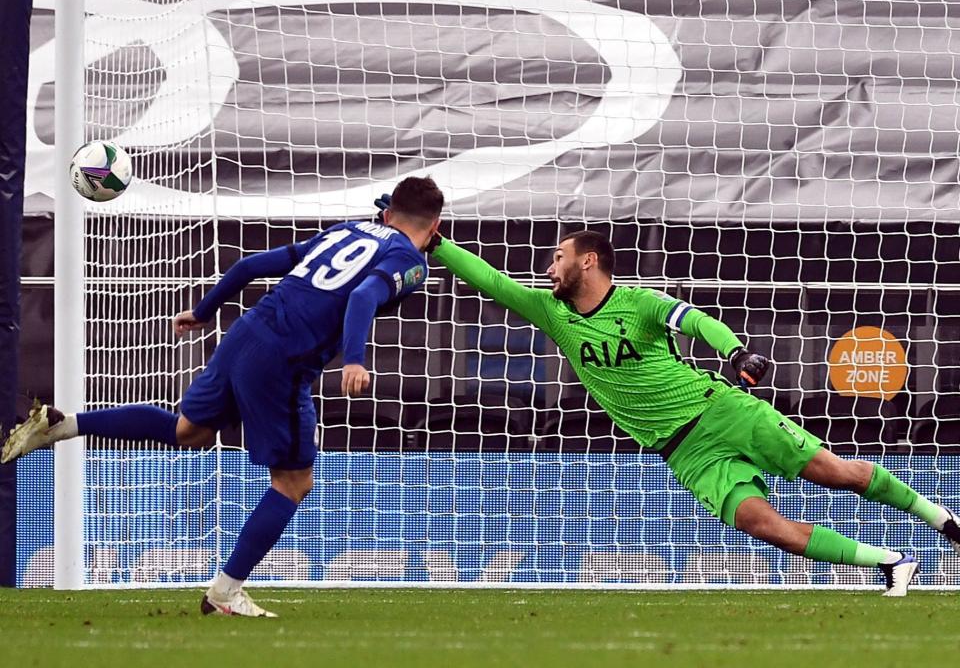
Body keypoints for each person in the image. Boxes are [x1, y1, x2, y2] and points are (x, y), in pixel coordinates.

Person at [378, 194, 959, 595]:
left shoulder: (640, 303)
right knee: (759, 522)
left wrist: (736, 352)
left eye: (558, 256)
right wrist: (436, 243)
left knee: (837, 473)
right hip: (683, 451)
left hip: (722, 410)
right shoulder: (553, 313)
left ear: (589, 260)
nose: (549, 265)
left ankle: (944, 522)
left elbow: (698, 322)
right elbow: (490, 280)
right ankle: (890, 563)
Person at [3, 176, 444, 617]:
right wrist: (354, 359)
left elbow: (251, 265)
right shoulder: (411, 262)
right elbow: (365, 295)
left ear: (387, 213)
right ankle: (224, 592)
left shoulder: (346, 230)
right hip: (285, 359)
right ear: (435, 223)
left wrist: (203, 310)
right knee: (294, 482)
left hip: (246, 333)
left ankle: (64, 425)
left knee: (188, 429)